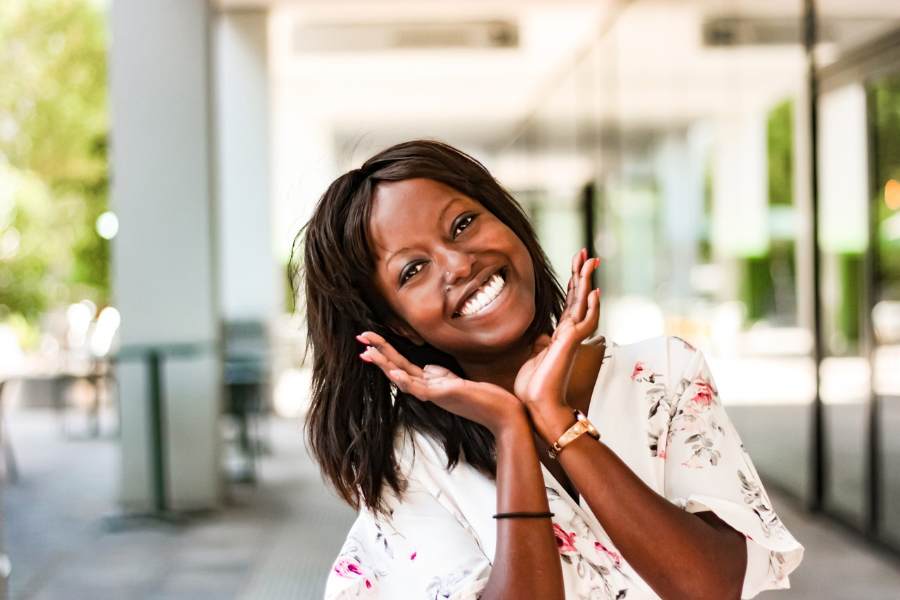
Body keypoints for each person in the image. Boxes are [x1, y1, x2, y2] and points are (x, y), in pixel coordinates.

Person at [295, 140, 803, 599]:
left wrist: (555, 419)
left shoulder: (663, 374)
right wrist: (511, 427)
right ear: (397, 326)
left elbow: (710, 589)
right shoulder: (410, 459)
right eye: (413, 270)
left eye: (464, 223)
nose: (457, 263)